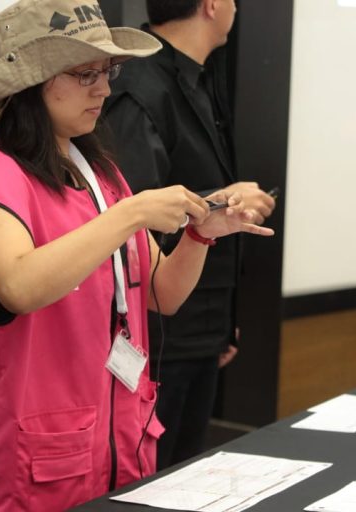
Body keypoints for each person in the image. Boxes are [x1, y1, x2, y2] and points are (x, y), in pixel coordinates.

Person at [0, 0, 273, 510]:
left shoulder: (100, 174)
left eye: (108, 71)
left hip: (113, 444)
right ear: (33, 81)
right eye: (86, 73)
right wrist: (130, 215)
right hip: (26, 463)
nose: (105, 88)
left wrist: (203, 233)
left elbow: (163, 294)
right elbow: (19, 286)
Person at [102, 0, 277, 470]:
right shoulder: (139, 87)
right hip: (162, 331)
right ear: (211, 5)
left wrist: (226, 319)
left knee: (189, 473)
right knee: (156, 479)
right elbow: (132, 209)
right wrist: (222, 197)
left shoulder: (200, 76)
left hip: (202, 323)